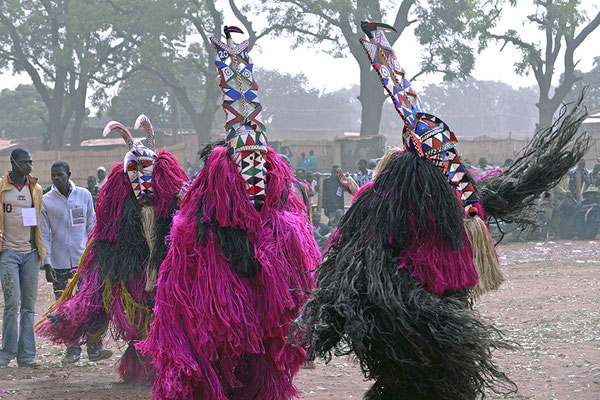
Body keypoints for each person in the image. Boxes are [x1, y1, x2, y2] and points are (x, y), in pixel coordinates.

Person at [137, 27, 319, 400]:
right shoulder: (196, 227)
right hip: (216, 339)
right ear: (227, 168)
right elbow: (183, 297)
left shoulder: (285, 224)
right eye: (244, 161)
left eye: (260, 161)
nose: (254, 170)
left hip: (262, 336)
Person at [37, 116, 189, 383]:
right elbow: (106, 237)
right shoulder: (118, 209)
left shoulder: (174, 204)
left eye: (147, 169)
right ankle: (141, 364)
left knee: (166, 314)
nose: (142, 179)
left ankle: (168, 364)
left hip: (166, 270)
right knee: (139, 316)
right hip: (134, 270)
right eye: (135, 171)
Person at [41, 161, 112, 363]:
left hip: (84, 262)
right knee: (64, 308)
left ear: (69, 174)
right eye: (53, 175)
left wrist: (96, 253)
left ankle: (94, 347)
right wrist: (47, 263)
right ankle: (72, 350)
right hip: (59, 263)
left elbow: (92, 224)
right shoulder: (47, 201)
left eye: (60, 175)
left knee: (89, 304)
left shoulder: (84, 195)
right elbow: (45, 234)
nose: (56, 178)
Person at [0, 148, 46, 368]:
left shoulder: (35, 189)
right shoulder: (1, 187)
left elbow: (38, 222)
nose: (29, 165)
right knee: (12, 303)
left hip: (30, 254)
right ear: (13, 162)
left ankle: (26, 356)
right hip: (8, 253)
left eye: (31, 161)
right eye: (24, 162)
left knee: (28, 306)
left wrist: (42, 254)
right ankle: (6, 353)